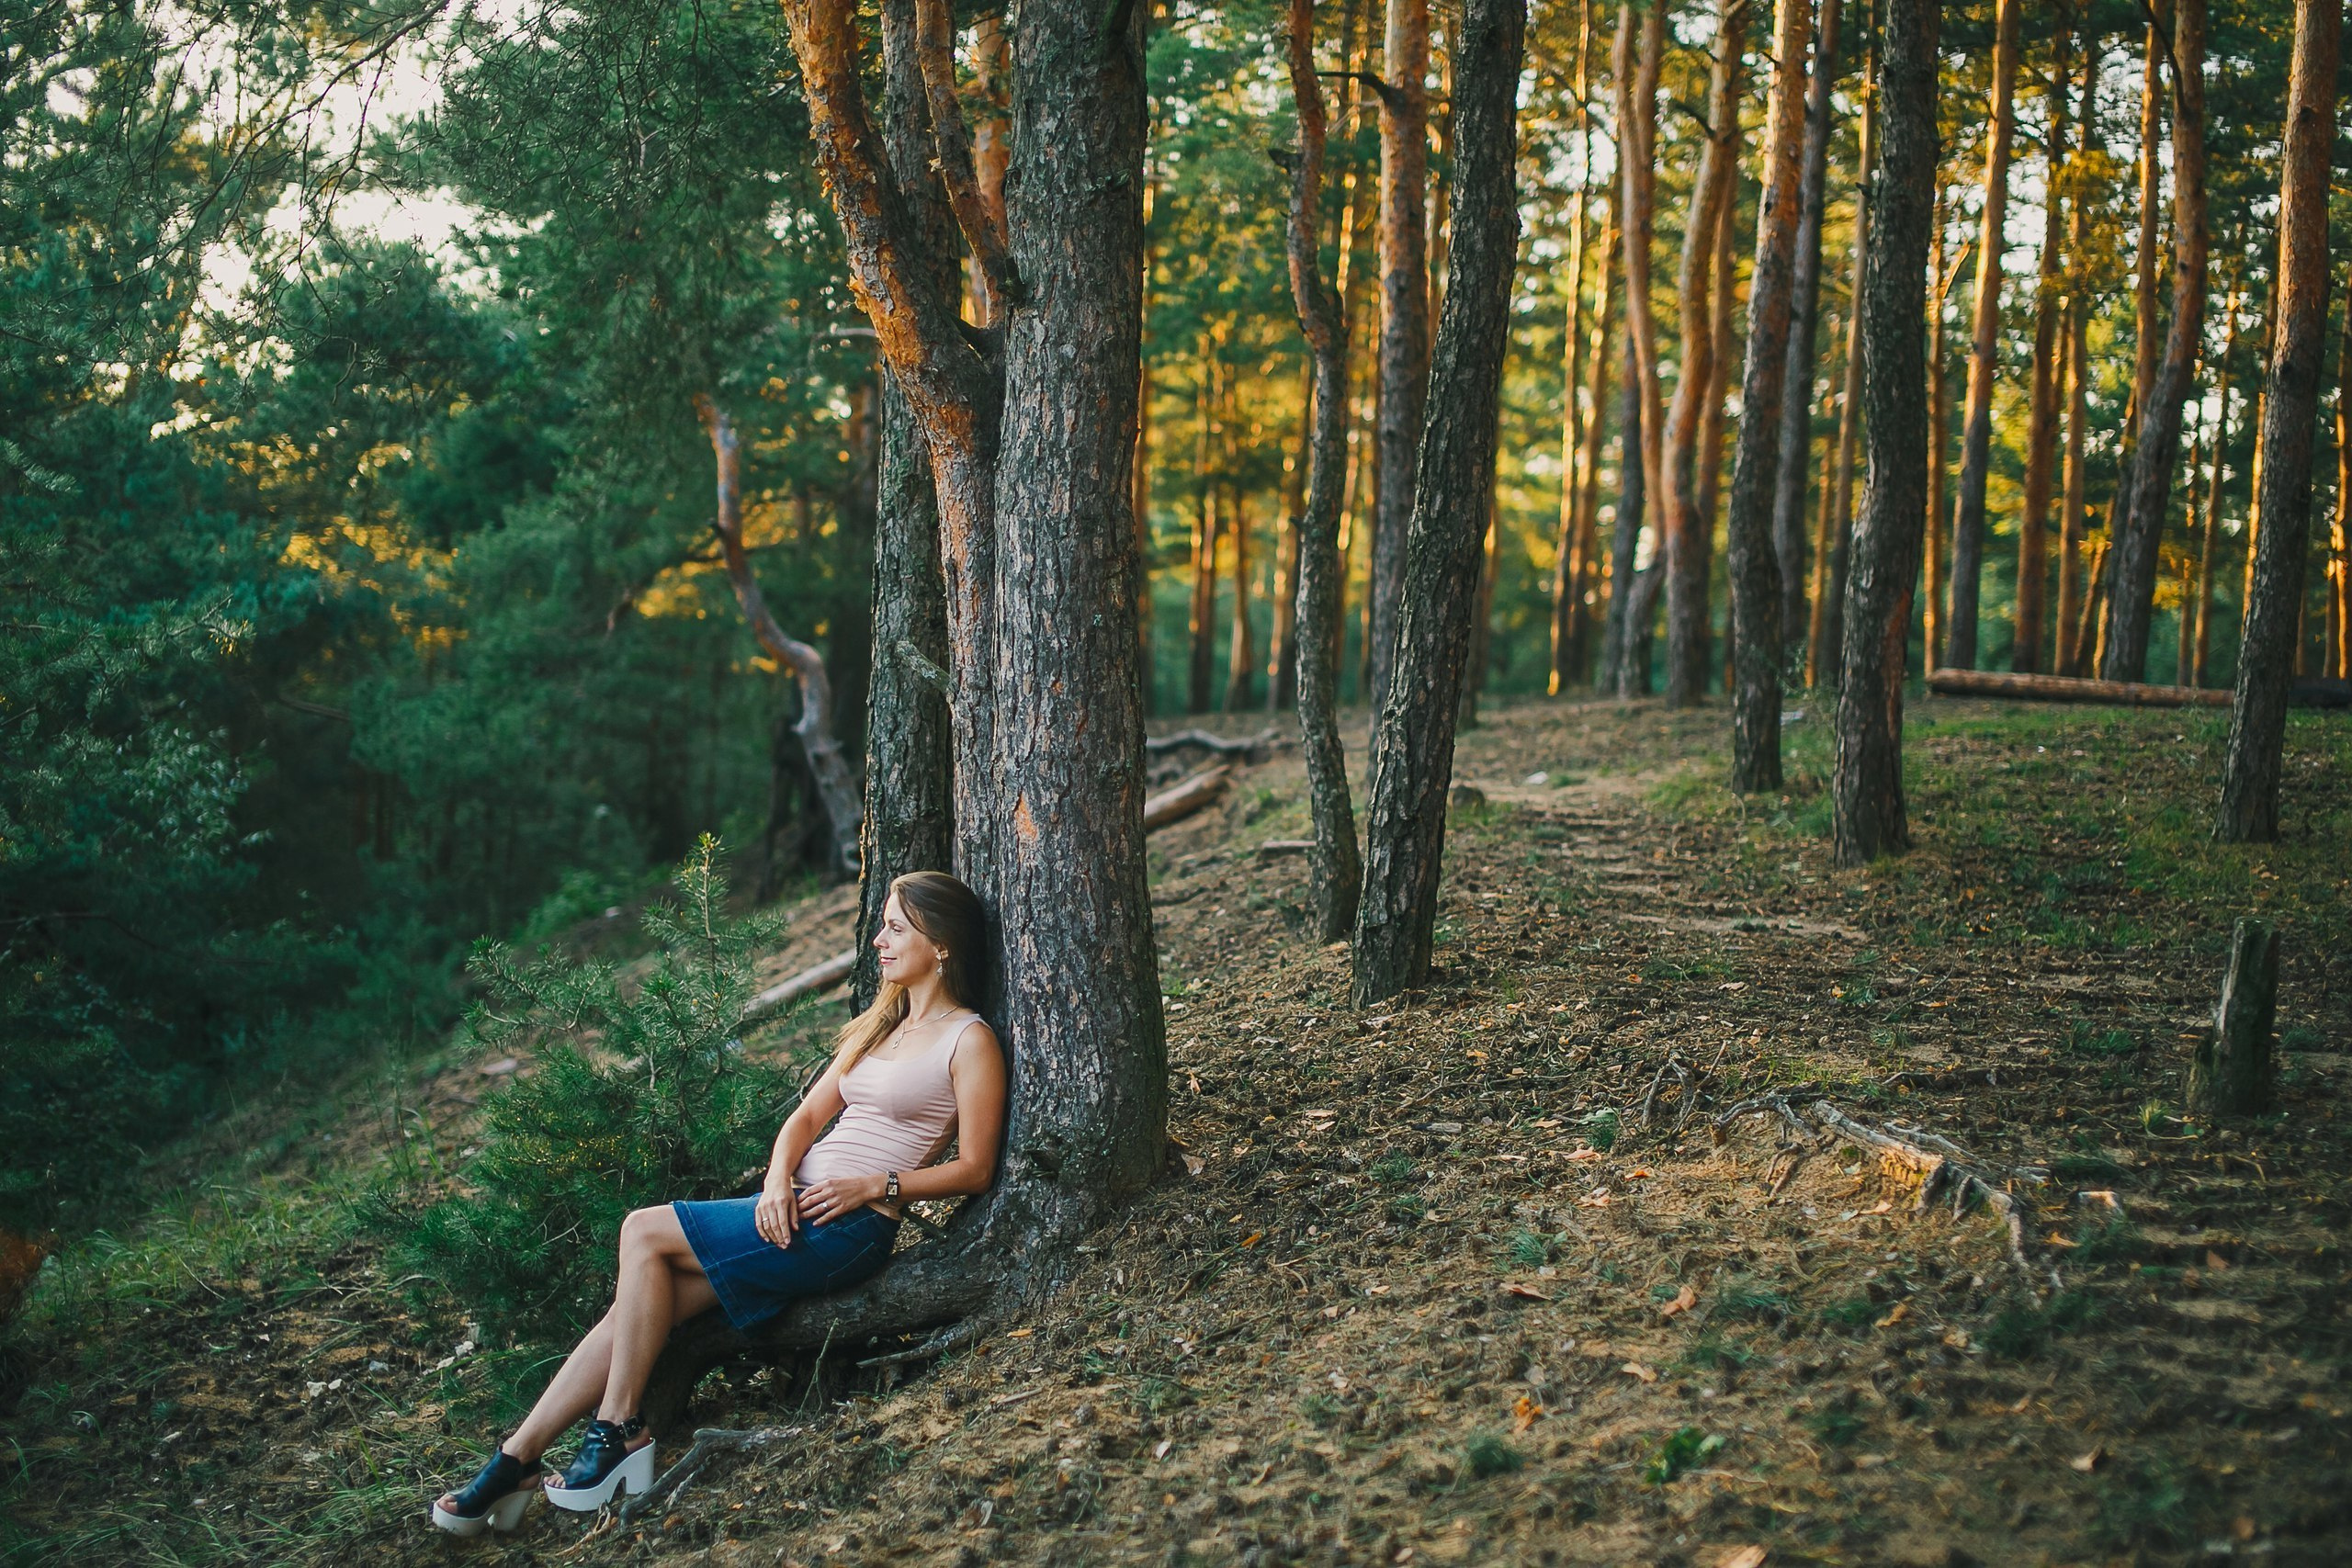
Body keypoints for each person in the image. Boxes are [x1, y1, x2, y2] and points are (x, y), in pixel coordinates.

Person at [429, 871, 1005, 1535]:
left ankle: (618, 1429)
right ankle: (517, 1457)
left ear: (942, 944)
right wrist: (773, 1181)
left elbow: (978, 1167)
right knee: (647, 1300)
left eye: (896, 927)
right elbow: (804, 1117)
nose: (878, 939)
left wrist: (880, 1184)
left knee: (643, 1231)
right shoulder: (880, 1025)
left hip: (846, 1228)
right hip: (791, 1206)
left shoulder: (969, 1039)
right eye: (882, 923)